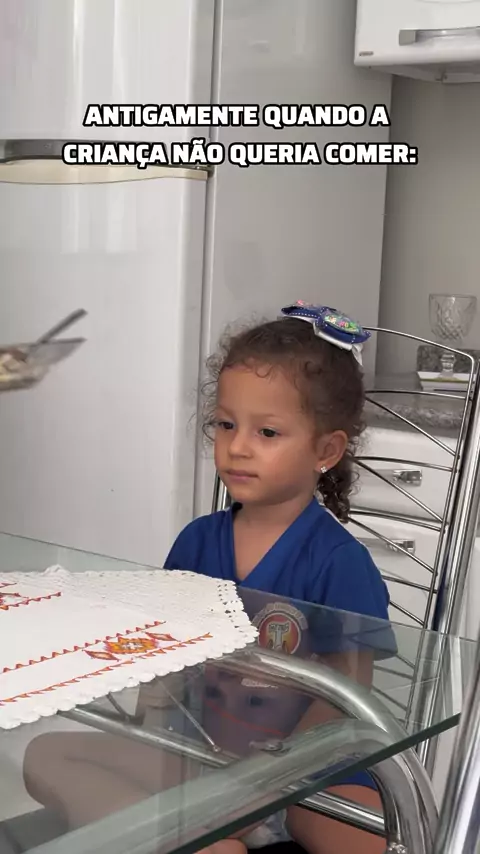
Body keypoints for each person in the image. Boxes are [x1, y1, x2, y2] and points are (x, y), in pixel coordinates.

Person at [23, 303, 392, 854]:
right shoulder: (196, 542)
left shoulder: (340, 561)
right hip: (203, 757)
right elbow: (166, 662)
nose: (238, 446)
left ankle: (187, 834)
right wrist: (156, 735)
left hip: (307, 771)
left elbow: (348, 696)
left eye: (267, 431)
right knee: (47, 754)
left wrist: (268, 779)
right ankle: (200, 838)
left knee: (367, 837)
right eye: (225, 424)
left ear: (325, 450)